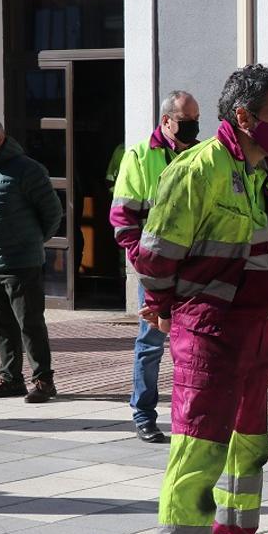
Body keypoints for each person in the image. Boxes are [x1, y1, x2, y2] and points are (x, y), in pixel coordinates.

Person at [139, 63, 268, 534]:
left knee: (248, 449)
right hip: (209, 332)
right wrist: (163, 307)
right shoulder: (197, 169)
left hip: (257, 330)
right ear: (243, 116)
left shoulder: (261, 171)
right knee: (198, 456)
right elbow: (156, 253)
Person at [110, 90, 202, 444]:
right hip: (155, 268)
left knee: (190, 344)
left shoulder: (200, 154)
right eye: (185, 120)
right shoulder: (139, 157)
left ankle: (187, 413)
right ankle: (143, 413)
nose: (193, 127)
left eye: (196, 119)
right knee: (151, 343)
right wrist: (145, 264)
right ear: (166, 121)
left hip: (193, 267)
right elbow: (123, 219)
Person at [0, 117, 63, 403]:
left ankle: (44, 381)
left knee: (30, 324)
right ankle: (11, 379)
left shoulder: (27, 170)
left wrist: (30, 242)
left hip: (20, 263)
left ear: (0, 138)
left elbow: (52, 214)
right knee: (1, 325)